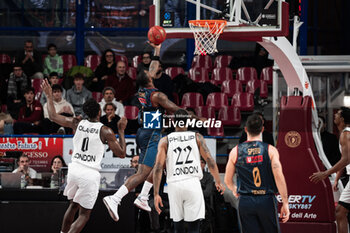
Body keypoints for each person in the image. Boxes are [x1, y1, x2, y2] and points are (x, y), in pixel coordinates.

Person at [103, 42, 202, 222]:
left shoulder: (142, 90)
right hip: (151, 135)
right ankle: (115, 198)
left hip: (145, 132)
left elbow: (153, 65)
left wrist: (157, 49)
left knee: (160, 165)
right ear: (149, 78)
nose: (154, 70)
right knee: (142, 173)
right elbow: (177, 110)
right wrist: (195, 117)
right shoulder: (157, 95)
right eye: (151, 71)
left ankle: (143, 196)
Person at [41, 79, 127, 233]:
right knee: (84, 215)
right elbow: (121, 154)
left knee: (73, 205)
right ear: (99, 112)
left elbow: (53, 116)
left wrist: (48, 96)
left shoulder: (77, 123)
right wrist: (121, 130)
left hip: (74, 170)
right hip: (89, 173)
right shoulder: (105, 130)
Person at [153, 109, 225, 233]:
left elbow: (158, 167)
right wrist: (218, 181)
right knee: (194, 228)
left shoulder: (165, 140)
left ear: (173, 121)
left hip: (174, 184)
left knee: (178, 227)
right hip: (192, 182)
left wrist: (155, 194)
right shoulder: (197, 137)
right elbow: (210, 161)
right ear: (188, 121)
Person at [225, 113, 289, 233]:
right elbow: (279, 177)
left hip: (246, 200)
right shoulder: (270, 150)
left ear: (245, 129)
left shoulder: (235, 151)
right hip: (266, 199)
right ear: (262, 129)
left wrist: (234, 189)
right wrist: (285, 202)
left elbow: (227, 180)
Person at [310, 107, 350, 233]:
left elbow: (346, 159)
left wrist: (325, 173)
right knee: (340, 212)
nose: (335, 116)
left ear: (342, 119)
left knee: (340, 212)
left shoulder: (345, 134)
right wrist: (337, 178)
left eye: (338, 114)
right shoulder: (345, 133)